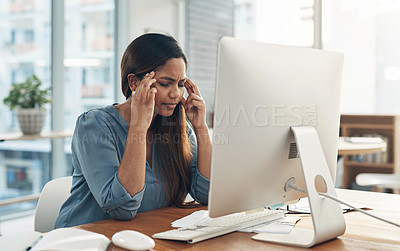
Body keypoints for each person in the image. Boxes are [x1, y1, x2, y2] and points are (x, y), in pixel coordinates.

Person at [55, 33, 212, 228]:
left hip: (145, 237)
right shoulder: (94, 125)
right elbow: (123, 209)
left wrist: (201, 127)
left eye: (181, 84)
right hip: (85, 240)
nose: (176, 94)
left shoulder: (176, 128)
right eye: (165, 83)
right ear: (134, 83)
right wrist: (139, 127)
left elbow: (207, 194)